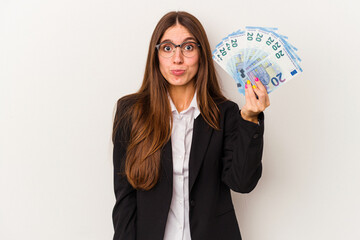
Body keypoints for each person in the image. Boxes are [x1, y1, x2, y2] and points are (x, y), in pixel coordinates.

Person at [112, 11, 270, 240]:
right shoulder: (131, 112)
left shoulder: (225, 113)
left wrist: (250, 119)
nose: (177, 59)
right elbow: (125, 199)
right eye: (167, 48)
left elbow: (242, 182)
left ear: (201, 54)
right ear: (156, 55)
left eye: (187, 47)